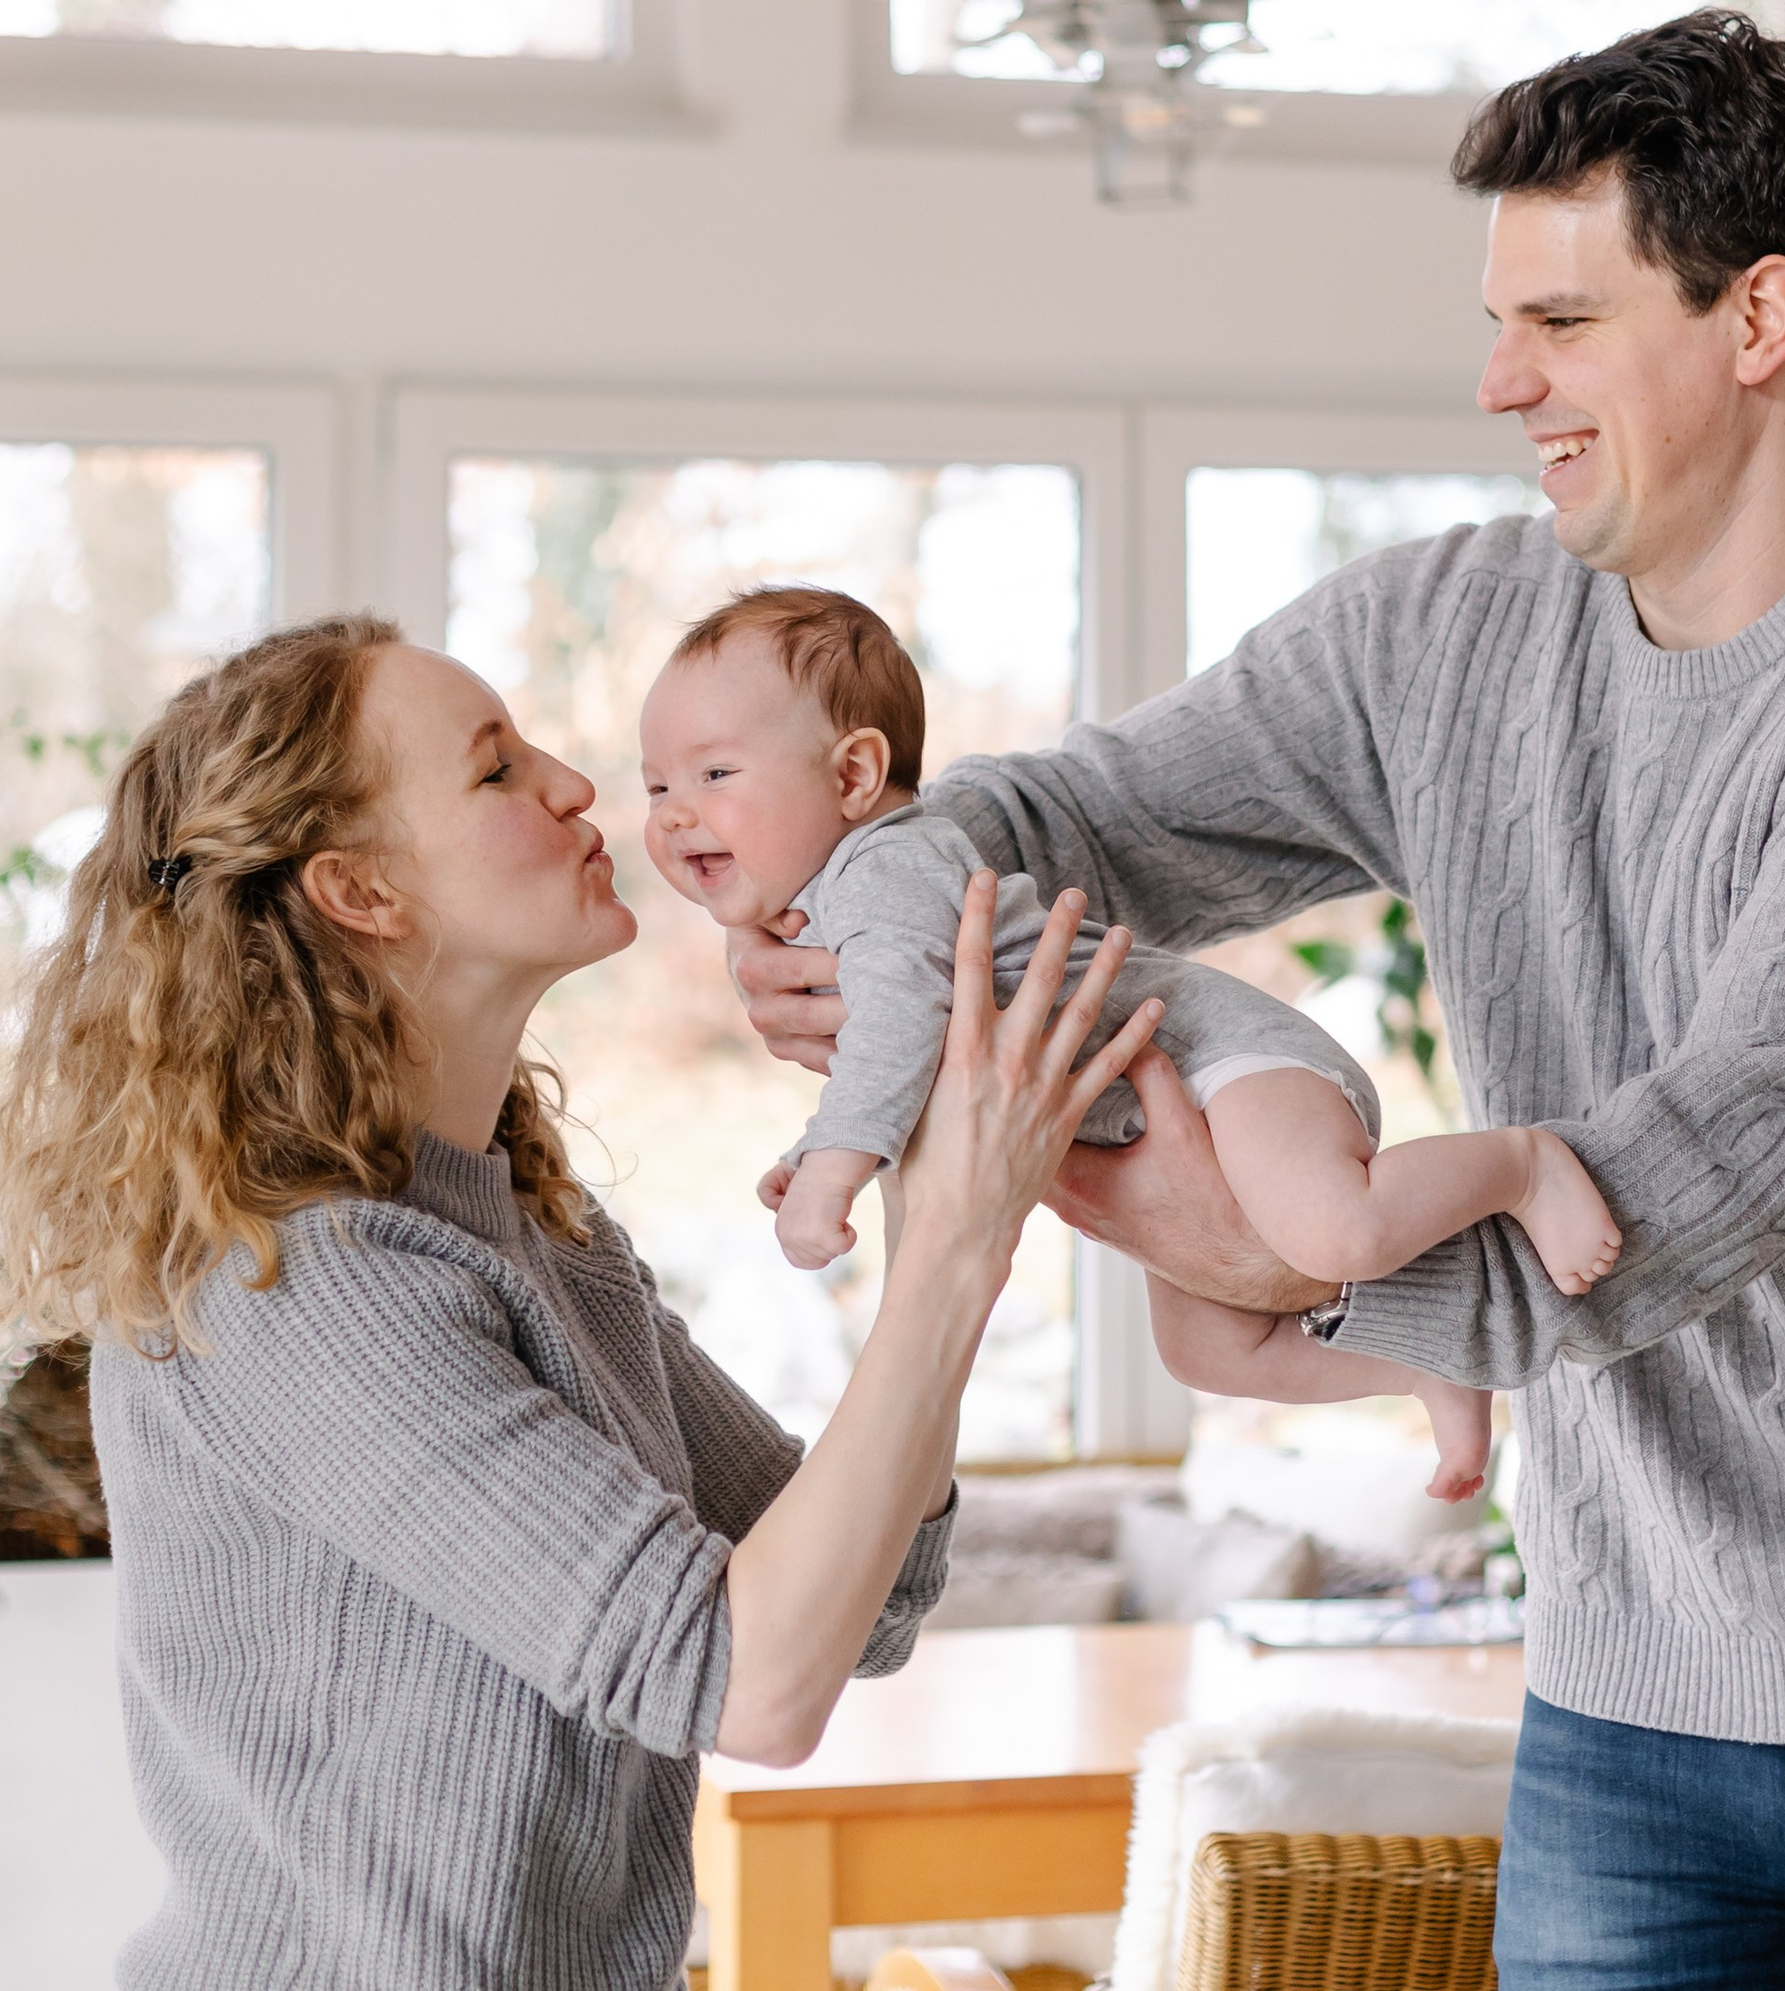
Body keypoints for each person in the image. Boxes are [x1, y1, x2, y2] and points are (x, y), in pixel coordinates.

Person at [733, 9, 1785, 1987]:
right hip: (1630, 1700)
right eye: (1495, 319)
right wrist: (863, 912)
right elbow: (1067, 811)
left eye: (1556, 318)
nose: (1494, 379)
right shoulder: (1442, 636)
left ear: (1756, 318)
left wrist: (1259, 1246)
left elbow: (1661, 1207)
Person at [0, 614, 1163, 1991]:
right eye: (497, 769)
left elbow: (875, 1602)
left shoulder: (541, 1236)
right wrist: (954, 1247)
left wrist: (933, 1198)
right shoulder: (296, 1285)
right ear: (360, 890)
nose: (574, 785)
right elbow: (752, 1683)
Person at [639, 583, 1618, 1503]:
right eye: (655, 786)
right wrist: (818, 1142)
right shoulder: (848, 895)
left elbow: (897, 1025)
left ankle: (1521, 1164)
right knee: (1207, 1353)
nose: (674, 811)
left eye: (714, 773)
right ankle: (1423, 1360)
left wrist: (830, 1175)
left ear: (853, 772)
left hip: (1223, 1062)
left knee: (1337, 1234)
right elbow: (905, 1051)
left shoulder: (885, 871)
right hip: (1163, 1102)